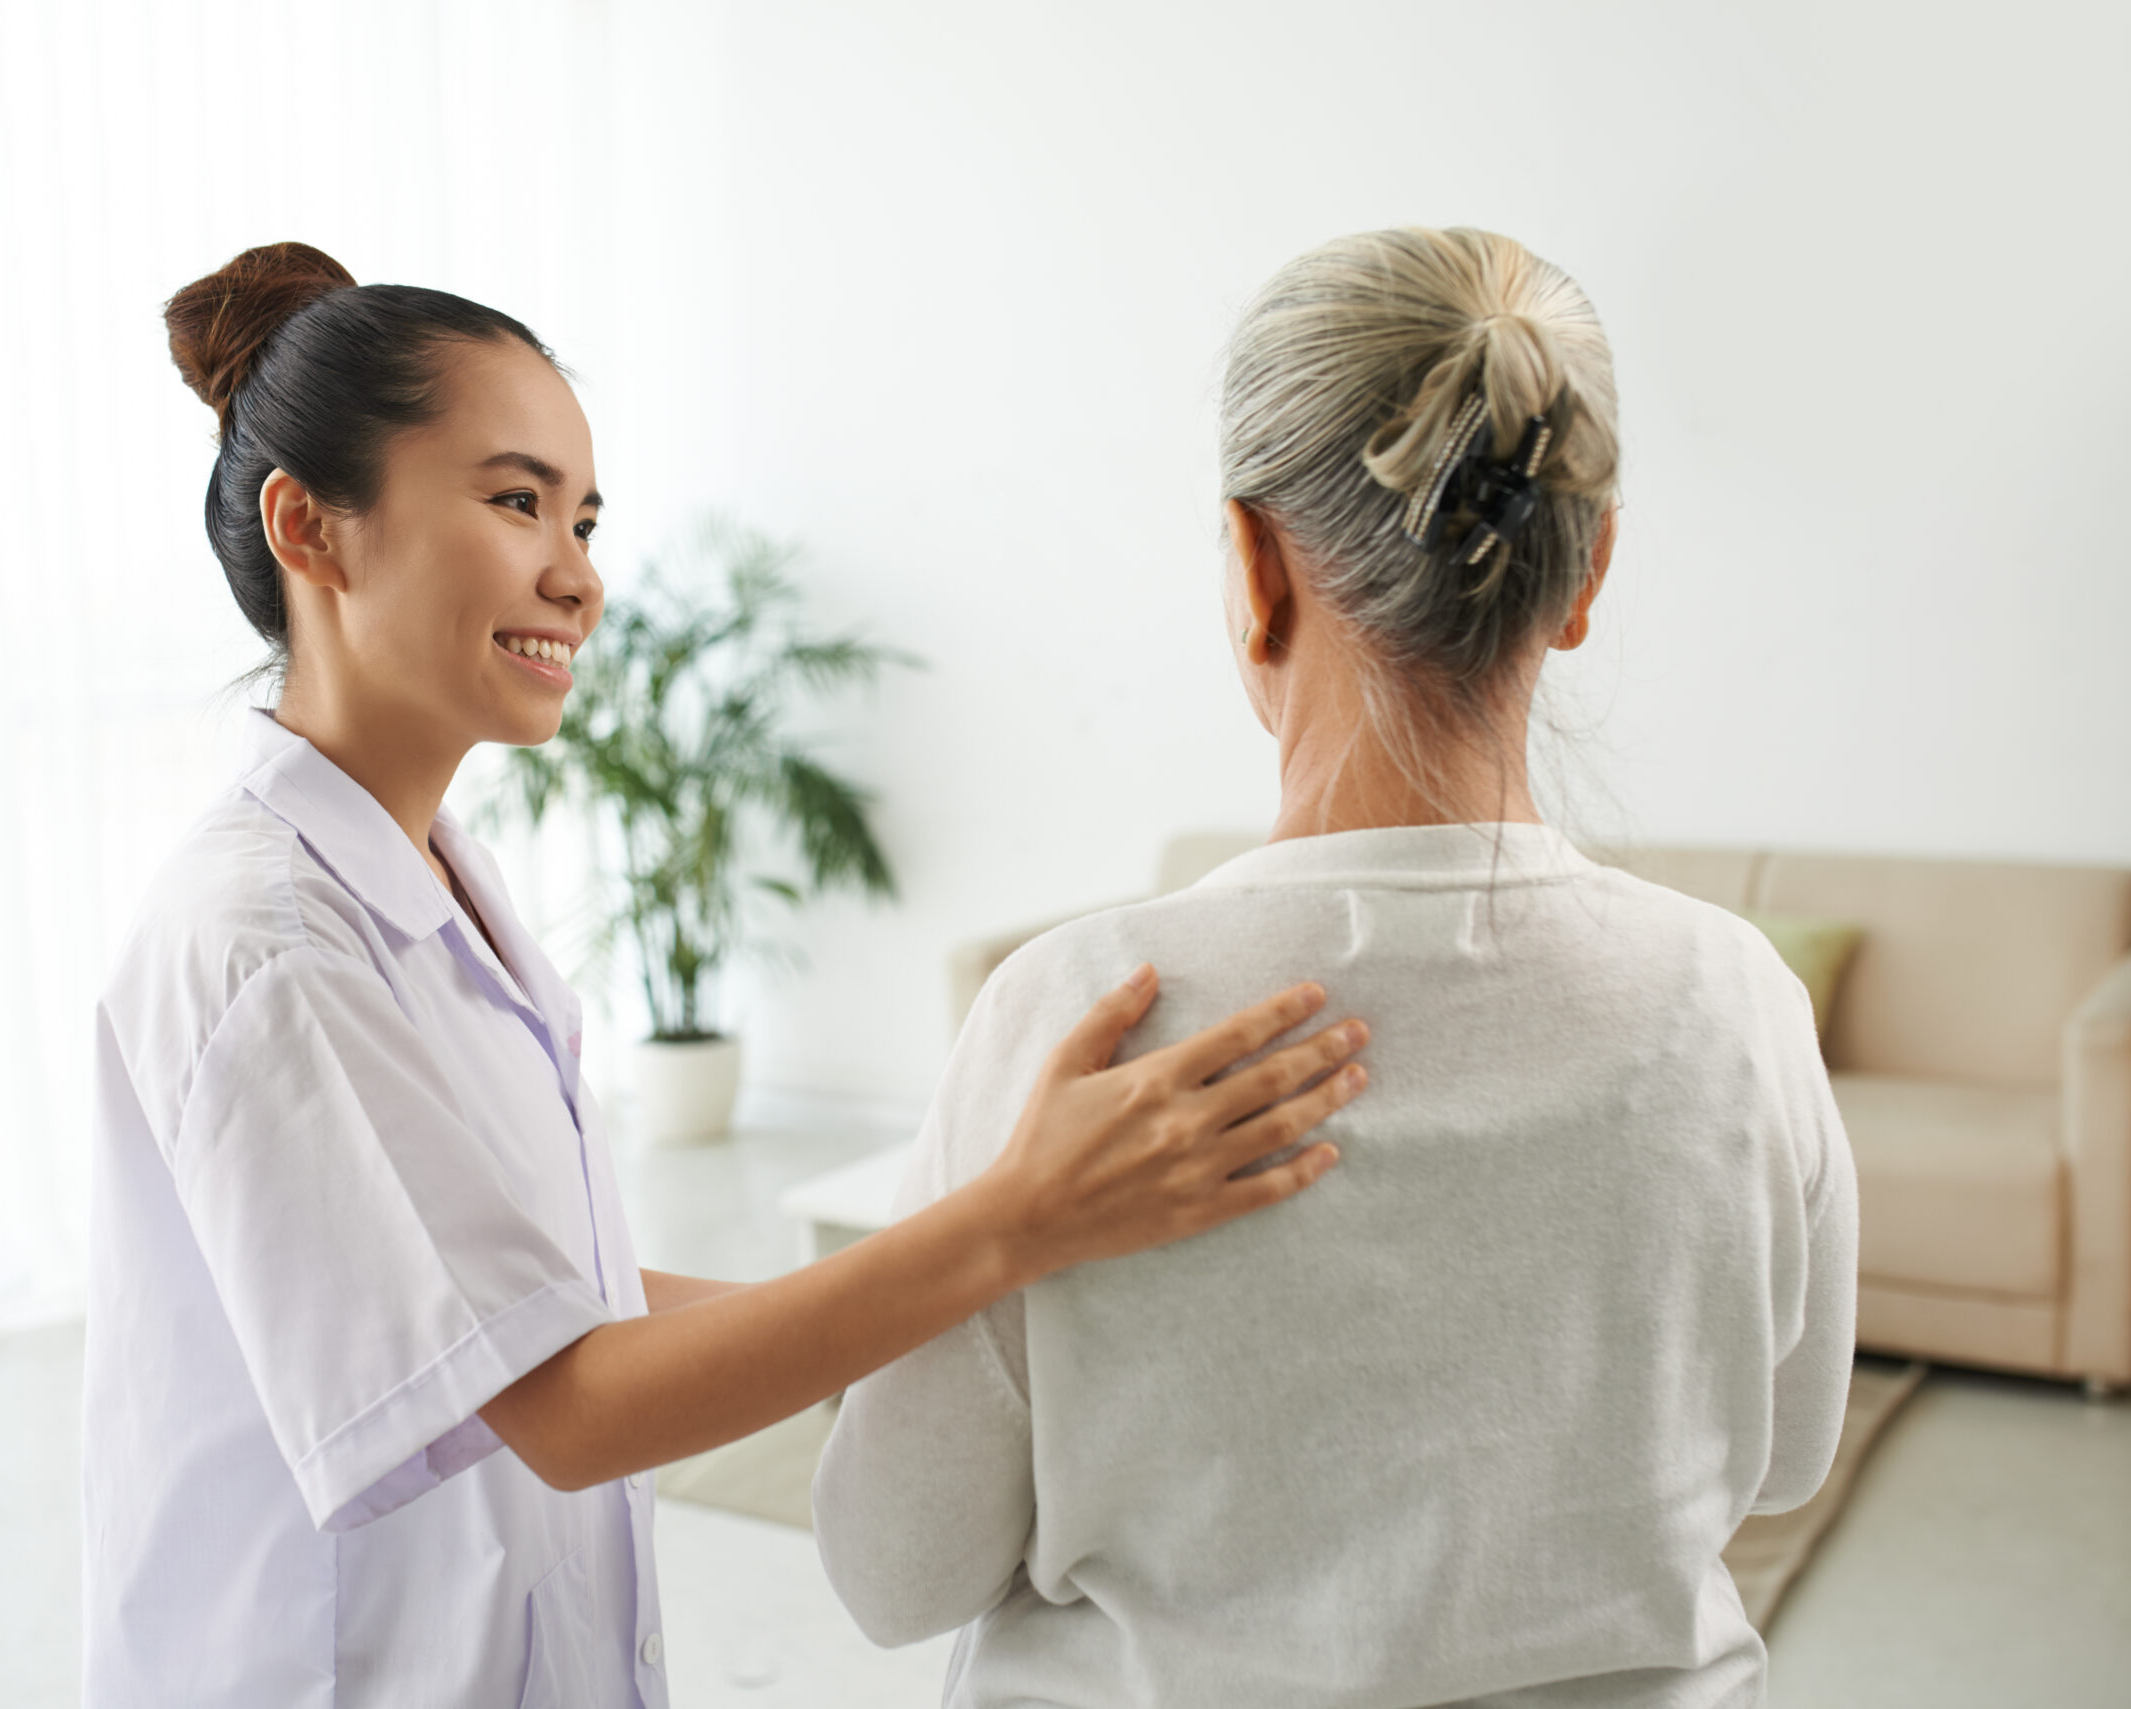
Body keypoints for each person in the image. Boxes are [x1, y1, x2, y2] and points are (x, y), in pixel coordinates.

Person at [82, 241, 1373, 1708]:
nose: (578, 576)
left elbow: (553, 1293)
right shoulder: (267, 941)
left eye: (584, 518)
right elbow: (569, 1405)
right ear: (310, 527)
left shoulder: (440, 880)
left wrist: (954, 1326)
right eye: (516, 503)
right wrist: (1014, 1221)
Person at [811, 227, 1860, 1708]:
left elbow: (894, 1570)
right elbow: (1787, 1456)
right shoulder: (1738, 998)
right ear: (1587, 571)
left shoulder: (1078, 1014)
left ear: (1255, 565)